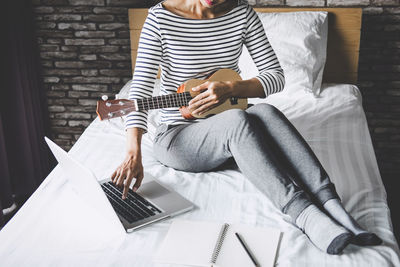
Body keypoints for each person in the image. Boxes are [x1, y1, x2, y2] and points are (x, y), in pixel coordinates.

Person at [111, 0, 382, 254]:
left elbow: (275, 77)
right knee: (238, 120)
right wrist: (133, 151)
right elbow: (140, 92)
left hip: (228, 118)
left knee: (265, 112)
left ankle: (334, 207)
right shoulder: (160, 18)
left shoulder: (242, 13)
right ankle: (305, 215)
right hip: (178, 136)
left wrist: (232, 87)